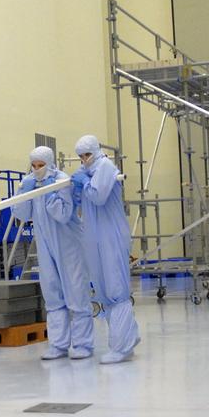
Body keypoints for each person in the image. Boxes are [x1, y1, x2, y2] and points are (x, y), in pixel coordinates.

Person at [13, 147, 94, 360]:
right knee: (52, 292)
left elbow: (63, 214)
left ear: (49, 162)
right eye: (34, 166)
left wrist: (49, 194)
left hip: (69, 245)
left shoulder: (61, 181)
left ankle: (83, 344)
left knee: (76, 291)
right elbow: (21, 214)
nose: (37, 170)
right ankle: (58, 345)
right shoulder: (31, 182)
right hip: (45, 244)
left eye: (41, 165)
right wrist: (23, 192)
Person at [72, 135, 140, 364]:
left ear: (96, 151)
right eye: (81, 157)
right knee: (102, 288)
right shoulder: (89, 171)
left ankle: (121, 347)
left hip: (111, 235)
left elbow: (98, 196)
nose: (84, 160)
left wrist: (84, 182)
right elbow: (83, 203)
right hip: (95, 236)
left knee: (115, 287)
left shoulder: (106, 167)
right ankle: (129, 336)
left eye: (87, 155)